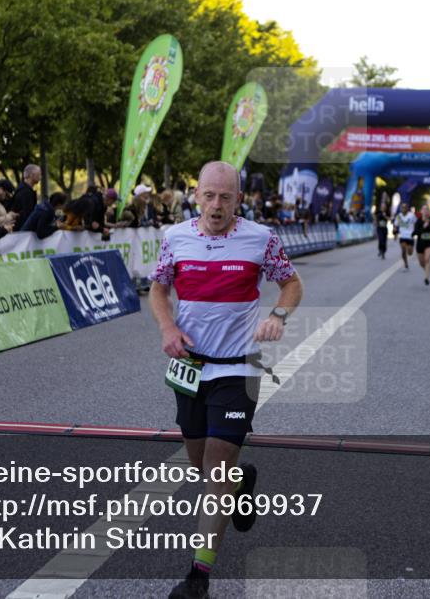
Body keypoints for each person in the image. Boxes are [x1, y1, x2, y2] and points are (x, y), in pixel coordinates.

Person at [149, 161, 303, 599]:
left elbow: (292, 285)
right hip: (191, 366)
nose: (217, 206)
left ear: (240, 198)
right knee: (203, 466)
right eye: (209, 196)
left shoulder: (261, 238)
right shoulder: (174, 238)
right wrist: (167, 328)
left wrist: (277, 316)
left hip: (238, 366)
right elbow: (159, 289)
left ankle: (199, 575)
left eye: (226, 197)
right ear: (196, 194)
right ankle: (242, 481)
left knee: (216, 465)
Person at [11, 164, 41, 228]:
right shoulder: (25, 192)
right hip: (22, 232)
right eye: (38, 174)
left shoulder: (24, 189)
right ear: (31, 175)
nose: (40, 177)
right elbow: (28, 214)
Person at [412, 204, 430, 285]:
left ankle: (427, 278)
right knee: (422, 263)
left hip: (429, 243)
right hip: (420, 244)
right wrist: (424, 227)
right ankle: (427, 270)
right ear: (421, 211)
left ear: (428, 211)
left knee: (427, 259)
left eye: (427, 209)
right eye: (424, 209)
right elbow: (416, 232)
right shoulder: (418, 221)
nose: (425, 211)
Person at [395, 202, 416, 270]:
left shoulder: (411, 215)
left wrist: (416, 232)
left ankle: (408, 251)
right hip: (403, 236)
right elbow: (396, 225)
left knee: (410, 253)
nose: (403, 209)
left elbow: (416, 223)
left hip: (410, 236)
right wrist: (395, 233)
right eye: (402, 207)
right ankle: (406, 263)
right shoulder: (399, 216)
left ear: (407, 208)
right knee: (403, 250)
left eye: (405, 207)